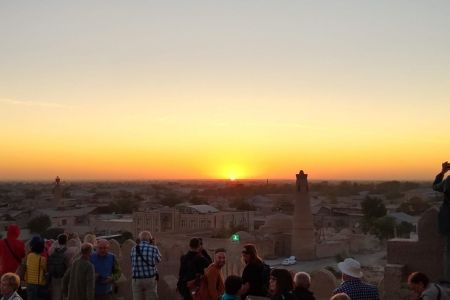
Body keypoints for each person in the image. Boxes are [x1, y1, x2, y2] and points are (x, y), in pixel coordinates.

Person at [131, 231, 161, 300]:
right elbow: (158, 260)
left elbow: (133, 261)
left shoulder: (133, 249)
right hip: (149, 279)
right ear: (150, 239)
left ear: (139, 239)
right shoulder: (153, 248)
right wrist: (154, 245)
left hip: (136, 279)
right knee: (152, 297)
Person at [433, 161, 450, 281]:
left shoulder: (448, 181)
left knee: (448, 252)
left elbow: (435, 186)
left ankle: (448, 279)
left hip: (448, 220)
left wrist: (442, 172)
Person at [48, 233, 71, 300]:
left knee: (56, 294)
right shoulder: (68, 251)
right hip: (64, 275)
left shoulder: (53, 251)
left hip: (54, 275)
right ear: (66, 241)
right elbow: (68, 264)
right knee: (65, 294)